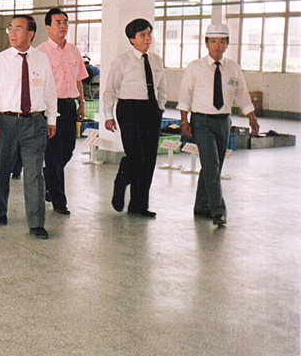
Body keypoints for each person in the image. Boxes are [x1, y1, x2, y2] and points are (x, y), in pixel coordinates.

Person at [0, 14, 57, 239]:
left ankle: (36, 223)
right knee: (2, 168)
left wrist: (51, 120)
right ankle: (0, 210)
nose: (12, 33)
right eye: (10, 28)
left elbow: (49, 91)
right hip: (6, 122)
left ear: (30, 34)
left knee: (34, 173)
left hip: (34, 123)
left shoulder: (41, 59)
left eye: (18, 29)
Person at [177, 23, 259, 226]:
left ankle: (201, 205)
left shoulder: (232, 68)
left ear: (227, 44)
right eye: (213, 41)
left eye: (222, 42)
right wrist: (184, 121)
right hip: (201, 121)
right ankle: (218, 211)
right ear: (206, 44)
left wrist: (251, 117)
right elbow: (185, 95)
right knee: (212, 165)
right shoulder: (195, 67)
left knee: (213, 165)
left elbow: (242, 93)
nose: (217, 46)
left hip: (223, 121)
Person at [103, 18, 166, 218]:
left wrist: (160, 107)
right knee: (136, 156)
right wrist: (108, 116)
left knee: (149, 159)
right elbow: (110, 90)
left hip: (151, 110)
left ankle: (138, 205)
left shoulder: (156, 60)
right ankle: (121, 181)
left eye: (149, 34)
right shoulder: (121, 62)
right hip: (129, 109)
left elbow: (161, 86)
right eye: (142, 35)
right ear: (132, 39)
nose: (147, 39)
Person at [36, 8, 89, 215]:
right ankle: (59, 200)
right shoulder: (40, 52)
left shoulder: (73, 51)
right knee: (54, 153)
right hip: (50, 107)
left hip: (69, 106)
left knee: (68, 149)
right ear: (48, 27)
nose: (63, 25)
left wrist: (81, 103)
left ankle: (48, 177)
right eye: (58, 22)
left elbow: (78, 79)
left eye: (65, 21)